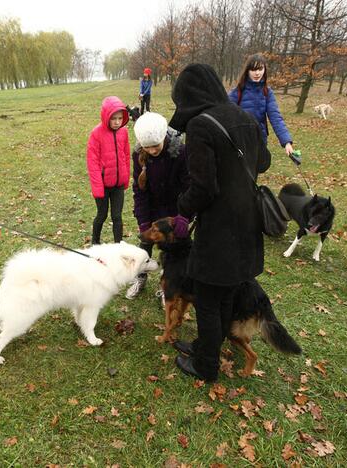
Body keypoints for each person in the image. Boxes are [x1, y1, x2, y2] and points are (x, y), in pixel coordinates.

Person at [168, 63, 271, 382]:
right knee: (226, 293)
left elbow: (204, 187)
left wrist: (181, 208)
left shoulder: (201, 125)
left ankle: (206, 364)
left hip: (220, 230)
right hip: (247, 224)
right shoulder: (243, 116)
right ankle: (204, 346)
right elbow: (263, 162)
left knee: (209, 299)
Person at [125, 112, 189, 299]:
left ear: (163, 138)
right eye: (148, 147)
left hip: (173, 209)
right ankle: (140, 276)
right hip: (151, 207)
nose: (152, 150)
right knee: (145, 242)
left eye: (156, 146)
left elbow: (188, 185)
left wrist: (184, 215)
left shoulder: (180, 152)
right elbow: (139, 190)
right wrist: (143, 220)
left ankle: (166, 284)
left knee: (171, 250)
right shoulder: (139, 155)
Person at [228, 54, 295, 157]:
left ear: (264, 70)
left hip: (260, 141)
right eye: (253, 69)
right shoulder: (237, 92)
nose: (257, 73)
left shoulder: (267, 92)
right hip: (241, 142)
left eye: (260, 69)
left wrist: (286, 142)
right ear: (247, 71)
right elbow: (225, 114)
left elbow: (276, 117)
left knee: (255, 171)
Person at [86, 96, 130, 244]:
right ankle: (95, 243)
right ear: (106, 117)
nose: (117, 122)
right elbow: (92, 163)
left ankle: (119, 245)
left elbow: (126, 155)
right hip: (103, 186)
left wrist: (125, 178)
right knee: (102, 215)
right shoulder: (96, 134)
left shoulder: (124, 132)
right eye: (113, 118)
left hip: (118, 185)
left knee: (117, 216)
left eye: (119, 118)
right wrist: (98, 188)